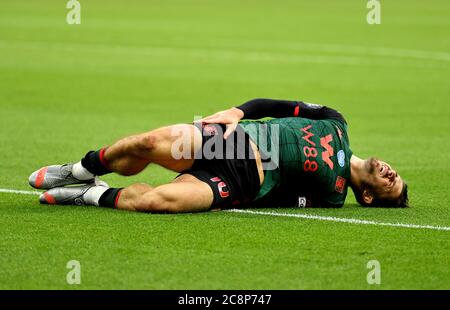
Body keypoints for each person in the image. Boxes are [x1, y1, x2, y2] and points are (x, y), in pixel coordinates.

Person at [28, 98, 409, 212]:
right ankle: (79, 170)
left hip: (240, 182)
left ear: (370, 196)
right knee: (146, 144)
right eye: (397, 173)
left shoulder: (333, 196)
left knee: (163, 201)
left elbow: (283, 200)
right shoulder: (337, 122)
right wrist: (237, 112)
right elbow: (278, 103)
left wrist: (240, 195)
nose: (392, 174)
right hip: (231, 138)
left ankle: (90, 194)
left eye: (391, 186)